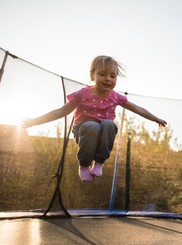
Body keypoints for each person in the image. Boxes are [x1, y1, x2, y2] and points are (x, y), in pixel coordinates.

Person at [23, 55, 167, 182]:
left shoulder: (115, 97)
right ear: (93, 75)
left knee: (109, 124)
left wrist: (155, 119)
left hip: (103, 132)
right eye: (102, 74)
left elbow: (137, 108)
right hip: (84, 131)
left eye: (112, 75)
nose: (108, 79)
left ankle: (99, 163)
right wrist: (34, 121)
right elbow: (60, 111)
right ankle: (84, 165)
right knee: (93, 126)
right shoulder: (82, 94)